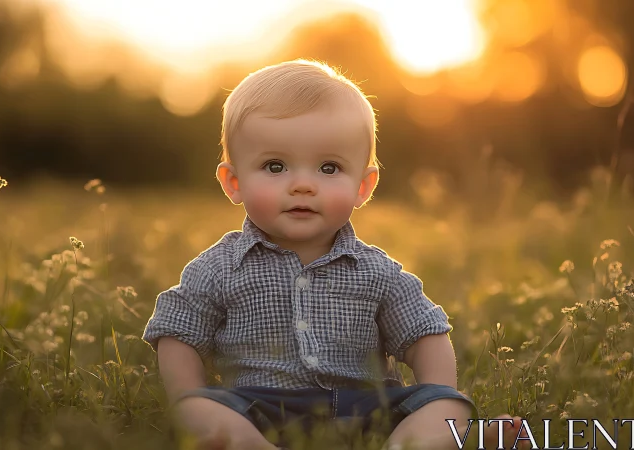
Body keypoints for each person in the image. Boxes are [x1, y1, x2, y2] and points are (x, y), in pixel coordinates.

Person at [143, 59, 527, 450]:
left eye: (329, 167)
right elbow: (177, 331)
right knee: (201, 411)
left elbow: (424, 333)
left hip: (370, 409)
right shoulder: (219, 267)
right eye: (275, 166)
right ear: (234, 182)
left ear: (363, 186)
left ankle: (420, 440)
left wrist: (436, 396)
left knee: (448, 406)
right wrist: (186, 400)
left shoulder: (378, 271)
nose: (303, 185)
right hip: (259, 409)